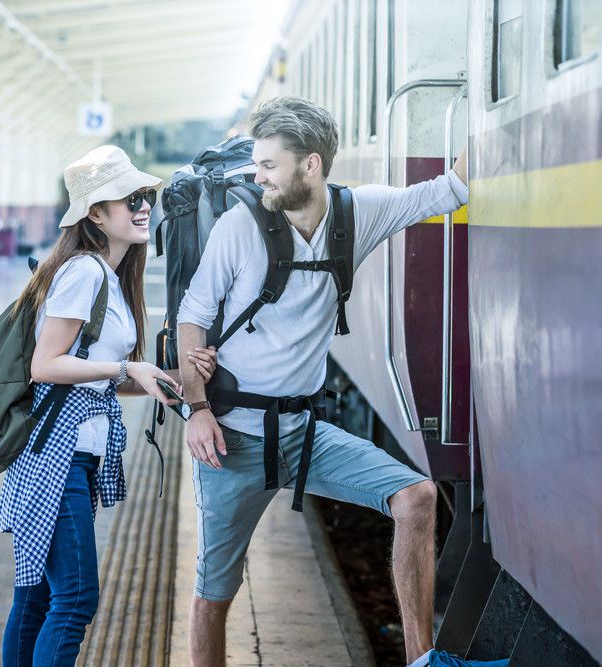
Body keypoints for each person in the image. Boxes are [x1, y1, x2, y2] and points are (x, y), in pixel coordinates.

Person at [176, 97, 479, 667]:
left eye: (268, 164)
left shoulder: (357, 213)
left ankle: (422, 661)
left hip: (301, 432)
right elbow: (192, 315)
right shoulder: (239, 226)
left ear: (311, 165)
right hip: (231, 441)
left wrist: (489, 113)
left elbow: (448, 191)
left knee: (416, 498)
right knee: (214, 593)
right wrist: (197, 409)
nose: (257, 175)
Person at [0, 145, 217, 666]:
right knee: (73, 601)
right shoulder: (84, 272)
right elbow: (45, 365)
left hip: (74, 453)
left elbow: (91, 376)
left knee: (37, 599)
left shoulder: (111, 279)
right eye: (128, 198)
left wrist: (175, 379)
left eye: (145, 197)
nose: (143, 207)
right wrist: (126, 369)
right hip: (55, 456)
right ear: (95, 213)